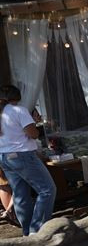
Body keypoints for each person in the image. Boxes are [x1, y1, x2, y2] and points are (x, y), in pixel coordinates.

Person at [0, 85, 56, 236]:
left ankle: (27, 232)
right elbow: (33, 134)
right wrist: (35, 125)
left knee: (20, 194)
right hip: (23, 155)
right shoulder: (19, 110)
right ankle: (37, 230)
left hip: (5, 156)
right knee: (47, 190)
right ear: (16, 97)